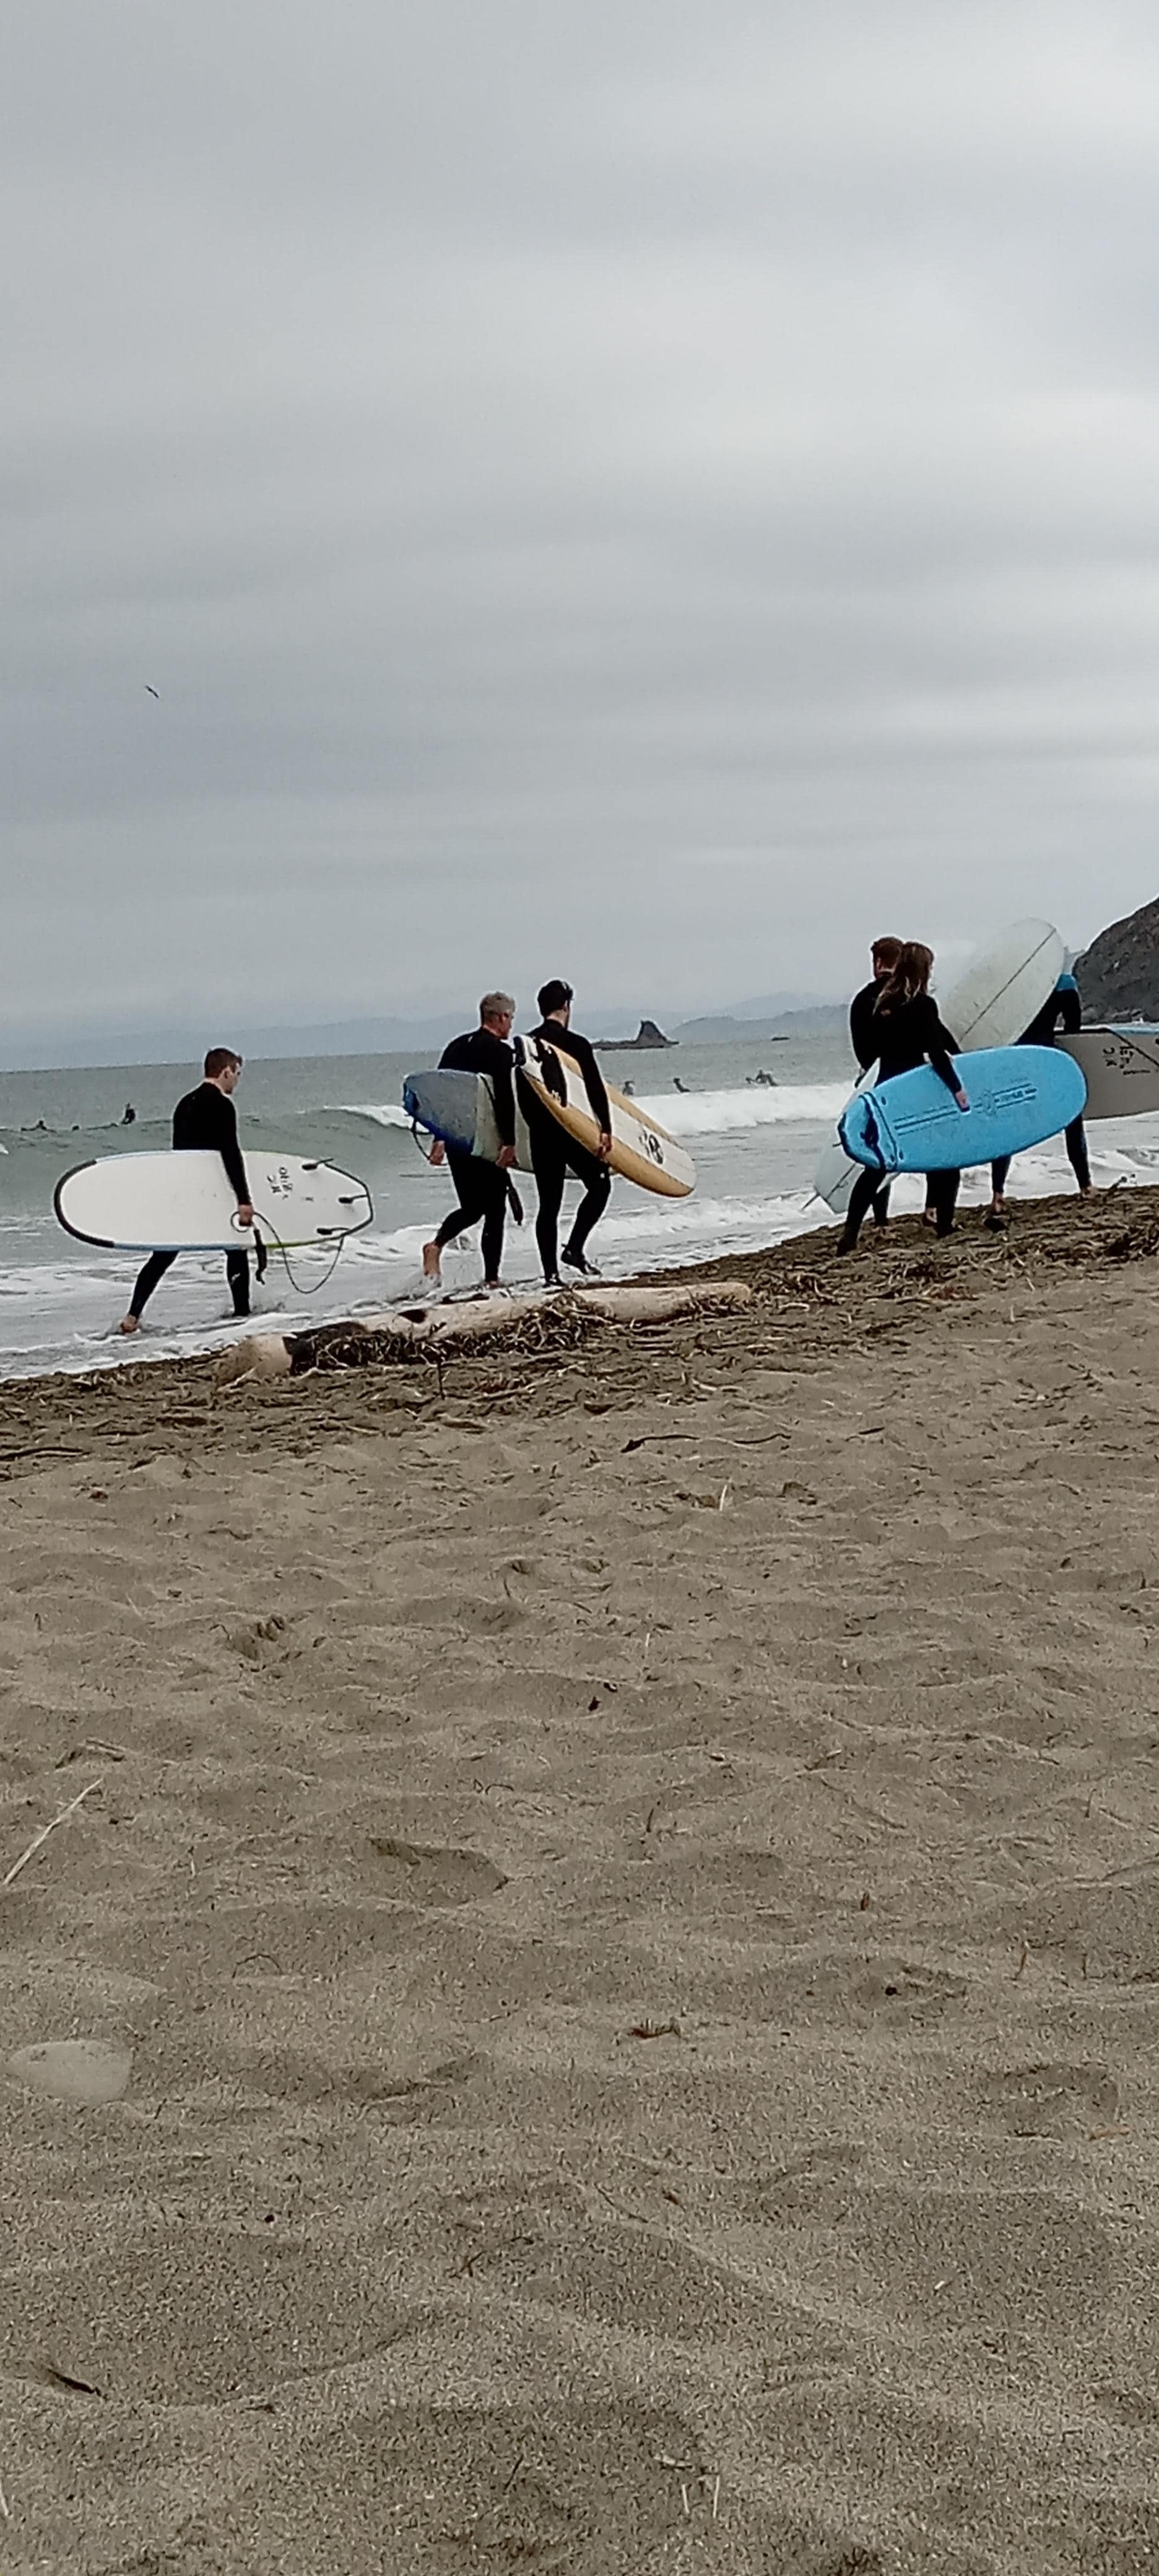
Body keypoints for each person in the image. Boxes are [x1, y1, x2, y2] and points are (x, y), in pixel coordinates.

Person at [839, 944, 968, 1253]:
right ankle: (944, 1224)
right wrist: (957, 1087)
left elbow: (868, 1053)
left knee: (880, 1164)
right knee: (946, 1157)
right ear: (924, 970)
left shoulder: (880, 1003)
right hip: (916, 1090)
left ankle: (850, 1233)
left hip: (886, 1090)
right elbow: (938, 1050)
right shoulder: (924, 1005)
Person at [118, 1050, 254, 1333]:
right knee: (236, 1248)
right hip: (210, 1191)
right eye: (237, 1074)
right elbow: (230, 1153)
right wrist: (244, 1200)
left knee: (164, 1253)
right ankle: (243, 1315)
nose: (237, 1081)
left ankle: (132, 1317)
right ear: (225, 1072)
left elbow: (179, 1154)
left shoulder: (184, 1104)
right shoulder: (223, 1106)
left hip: (183, 1190)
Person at [422, 993, 519, 1290]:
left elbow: (441, 1096)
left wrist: (439, 1137)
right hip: (486, 1141)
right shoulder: (500, 1053)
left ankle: (436, 1246)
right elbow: (504, 1100)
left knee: (473, 1207)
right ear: (501, 1017)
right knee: (495, 1209)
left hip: (458, 1140)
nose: (511, 1025)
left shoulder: (456, 1047)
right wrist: (510, 1142)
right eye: (510, 1018)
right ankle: (491, 1278)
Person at [520, 979, 612, 1283]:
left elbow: (522, 1096)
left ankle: (551, 1275)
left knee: (548, 1207)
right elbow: (596, 1089)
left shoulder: (527, 1046)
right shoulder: (577, 1045)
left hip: (542, 1135)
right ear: (566, 1007)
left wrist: (529, 1131)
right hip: (572, 1133)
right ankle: (574, 1248)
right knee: (600, 1186)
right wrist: (605, 1129)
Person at [987, 970, 1091, 1224]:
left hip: (1012, 1059)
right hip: (1045, 1057)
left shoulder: (1006, 983)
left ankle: (997, 1195)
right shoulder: (1061, 981)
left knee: (1008, 1126)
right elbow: (1073, 1025)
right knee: (1072, 1115)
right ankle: (1086, 1186)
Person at [848, 935, 903, 1227]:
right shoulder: (911, 995)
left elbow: (861, 1049)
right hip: (910, 1080)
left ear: (878, 962)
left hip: (877, 1083)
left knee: (880, 1154)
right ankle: (933, 1210)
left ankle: (879, 1220)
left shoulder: (861, 1000)